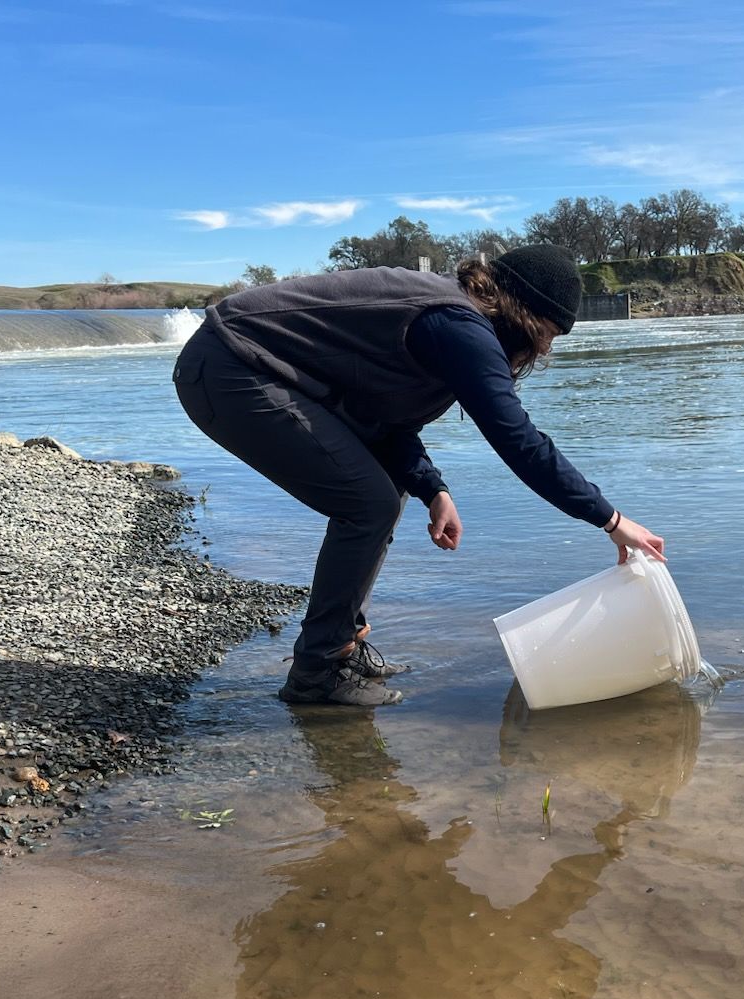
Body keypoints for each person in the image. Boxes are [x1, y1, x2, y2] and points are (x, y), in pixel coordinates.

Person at [171, 244, 666, 707]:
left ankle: (341, 645)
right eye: (548, 336)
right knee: (367, 503)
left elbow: (383, 420)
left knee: (387, 491)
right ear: (526, 315)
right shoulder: (459, 328)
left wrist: (434, 489)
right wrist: (611, 519)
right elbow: (519, 440)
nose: (541, 352)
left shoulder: (454, 325)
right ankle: (317, 672)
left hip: (246, 366)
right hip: (230, 368)